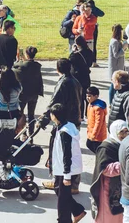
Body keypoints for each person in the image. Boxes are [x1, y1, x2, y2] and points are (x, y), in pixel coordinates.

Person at [36, 59, 81, 192]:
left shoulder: (63, 83)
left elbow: (54, 102)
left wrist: (44, 118)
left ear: (58, 69)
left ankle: (57, 181)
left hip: (64, 120)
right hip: (75, 120)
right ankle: (74, 184)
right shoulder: (76, 81)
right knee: (73, 152)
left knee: (59, 152)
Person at [49, 103, 86, 223]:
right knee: (59, 191)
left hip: (67, 169)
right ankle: (77, 210)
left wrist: (67, 176)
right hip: (62, 167)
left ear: (55, 116)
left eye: (51, 113)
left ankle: (64, 220)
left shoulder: (65, 132)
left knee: (62, 200)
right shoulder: (64, 126)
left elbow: (67, 155)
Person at [89, 120, 129, 223]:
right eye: (121, 132)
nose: (125, 135)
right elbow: (105, 169)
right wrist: (125, 165)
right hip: (107, 189)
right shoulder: (106, 147)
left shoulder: (123, 145)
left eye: (126, 131)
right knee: (107, 217)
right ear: (115, 132)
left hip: (119, 187)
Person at [69, 35, 92, 120]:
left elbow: (70, 60)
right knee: (87, 96)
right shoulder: (89, 52)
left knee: (79, 97)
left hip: (78, 77)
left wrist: (73, 51)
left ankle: (81, 115)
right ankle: (87, 113)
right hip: (86, 76)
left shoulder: (76, 55)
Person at [108, 24, 127, 104]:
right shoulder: (115, 42)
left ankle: (112, 101)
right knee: (114, 85)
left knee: (115, 85)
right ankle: (111, 102)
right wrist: (123, 48)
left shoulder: (117, 41)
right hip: (115, 67)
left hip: (118, 66)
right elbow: (116, 54)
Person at [86, 86, 107, 154]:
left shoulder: (98, 108)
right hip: (91, 132)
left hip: (98, 135)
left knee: (98, 151)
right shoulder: (90, 104)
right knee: (89, 145)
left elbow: (98, 123)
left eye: (89, 96)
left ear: (96, 96)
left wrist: (94, 135)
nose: (87, 98)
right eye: (87, 96)